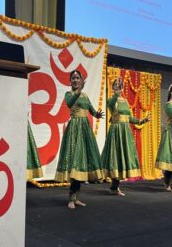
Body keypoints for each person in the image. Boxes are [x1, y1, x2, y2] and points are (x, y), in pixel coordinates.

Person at [55, 69, 104, 209]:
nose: (76, 80)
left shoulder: (85, 96)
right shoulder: (69, 94)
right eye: (74, 78)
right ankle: (71, 198)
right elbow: (70, 104)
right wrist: (78, 91)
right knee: (75, 163)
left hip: (85, 130)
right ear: (70, 81)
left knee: (83, 163)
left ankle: (76, 198)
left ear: (81, 80)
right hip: (75, 129)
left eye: (78, 78)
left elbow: (91, 110)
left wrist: (97, 115)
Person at [101, 77, 150, 196]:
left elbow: (129, 118)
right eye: (115, 85)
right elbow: (111, 106)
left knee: (122, 157)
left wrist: (142, 121)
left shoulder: (126, 101)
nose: (117, 87)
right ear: (113, 88)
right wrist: (115, 95)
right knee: (116, 157)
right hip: (116, 130)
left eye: (119, 85)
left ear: (122, 87)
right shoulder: (111, 100)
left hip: (125, 131)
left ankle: (115, 187)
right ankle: (114, 186)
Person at [156, 84, 172, 191]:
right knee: (170, 160)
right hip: (170, 134)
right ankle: (167, 181)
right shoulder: (168, 105)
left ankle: (167, 181)